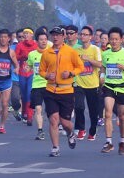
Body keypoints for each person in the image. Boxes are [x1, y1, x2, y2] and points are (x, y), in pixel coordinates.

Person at [38, 26, 84, 157]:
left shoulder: (70, 51)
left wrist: (70, 73)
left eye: (58, 35)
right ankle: (55, 147)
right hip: (50, 90)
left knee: (65, 123)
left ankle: (70, 133)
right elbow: (41, 70)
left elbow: (80, 67)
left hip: (66, 90)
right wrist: (47, 75)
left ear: (63, 36)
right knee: (53, 120)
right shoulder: (47, 53)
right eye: (53, 35)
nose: (55, 37)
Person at [100, 26, 124, 155]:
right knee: (108, 114)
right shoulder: (105, 54)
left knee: (121, 116)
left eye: (116, 39)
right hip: (109, 87)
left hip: (122, 87)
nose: (114, 41)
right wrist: (102, 76)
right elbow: (103, 67)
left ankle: (122, 141)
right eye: (112, 39)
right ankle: (108, 142)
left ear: (121, 40)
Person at [74, 26, 102, 141]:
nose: (82, 36)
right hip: (79, 83)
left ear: (90, 37)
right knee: (78, 106)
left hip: (92, 84)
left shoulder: (95, 49)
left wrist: (88, 59)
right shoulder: (76, 50)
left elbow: (100, 64)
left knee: (93, 110)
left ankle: (93, 130)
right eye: (81, 34)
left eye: (85, 34)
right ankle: (81, 129)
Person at [27, 28, 51, 141]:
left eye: (45, 39)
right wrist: (27, 68)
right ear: (37, 41)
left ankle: (55, 127)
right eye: (41, 39)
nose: (43, 41)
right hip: (37, 85)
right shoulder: (32, 54)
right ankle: (40, 130)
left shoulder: (51, 53)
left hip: (49, 85)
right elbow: (29, 66)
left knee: (50, 110)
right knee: (38, 108)